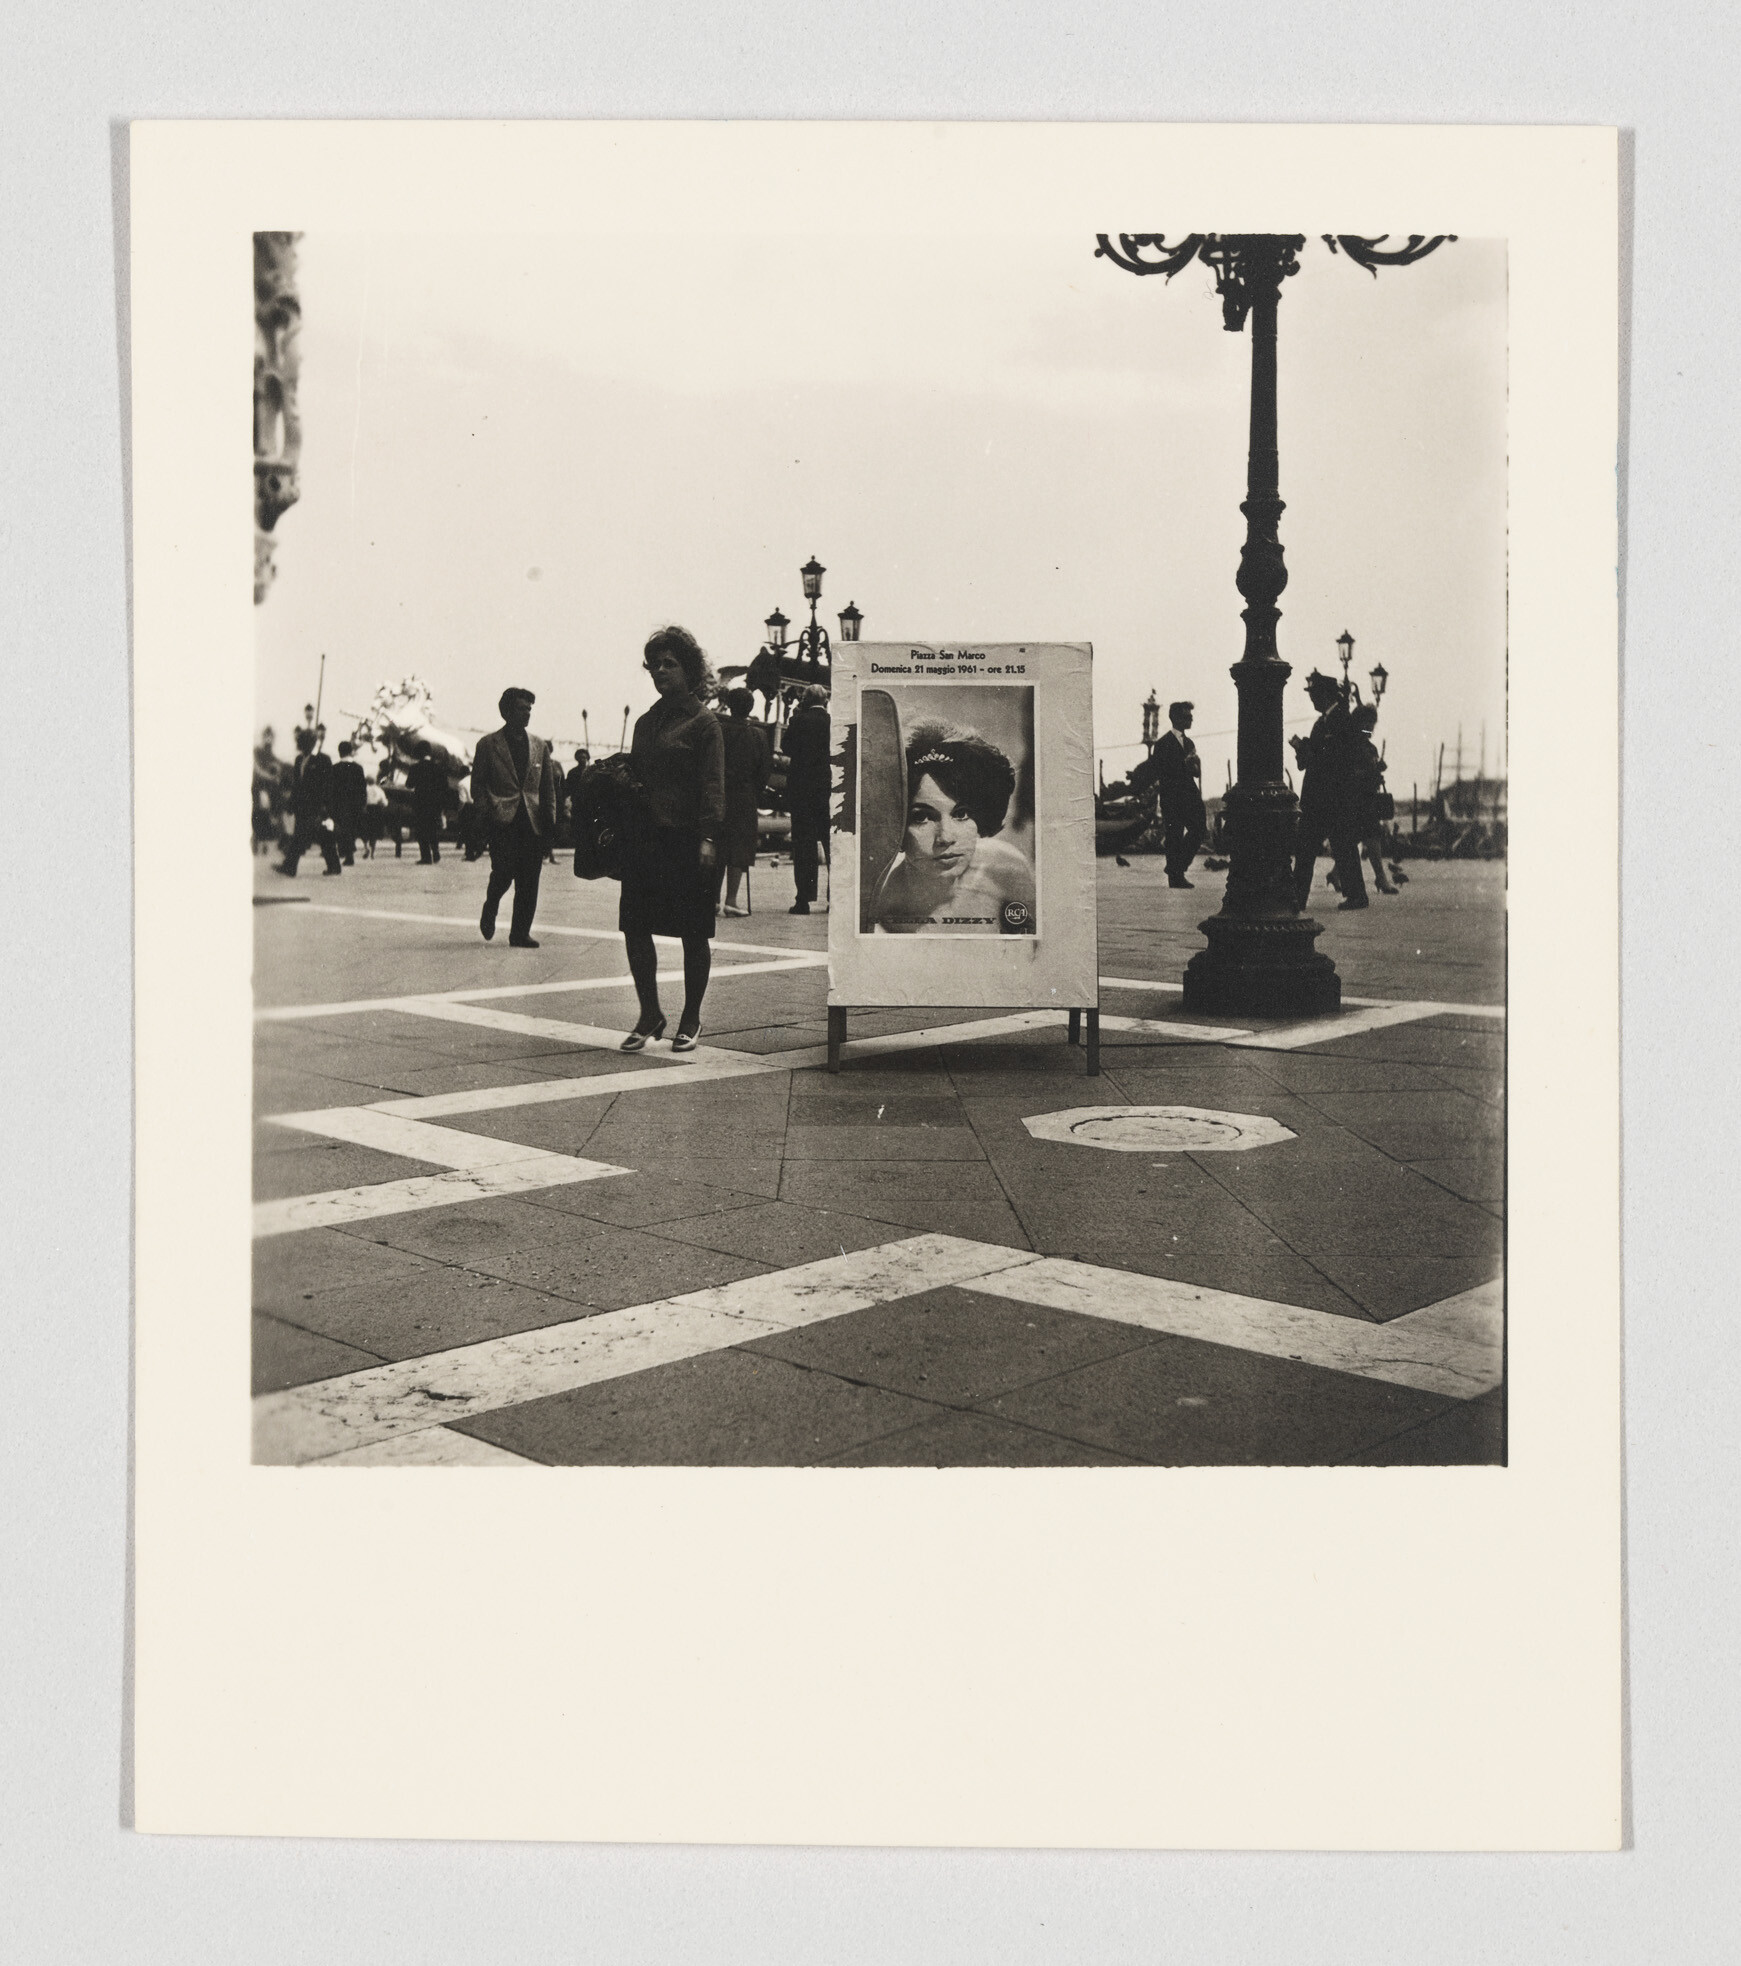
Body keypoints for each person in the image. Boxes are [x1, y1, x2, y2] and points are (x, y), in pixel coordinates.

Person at [617, 626, 724, 1054]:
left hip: (688, 839)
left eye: (670, 663)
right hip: (645, 839)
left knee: (693, 933)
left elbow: (714, 786)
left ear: (689, 669)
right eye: (655, 664)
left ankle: (691, 1017)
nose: (660, 671)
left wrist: (709, 839)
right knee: (634, 927)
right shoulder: (645, 722)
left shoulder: (705, 723)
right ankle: (650, 1013)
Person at [871, 722, 1036, 936]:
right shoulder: (879, 907)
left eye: (961, 814)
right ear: (895, 823)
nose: (945, 837)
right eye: (921, 817)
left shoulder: (1007, 868)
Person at [472, 686, 559, 948]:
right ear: (507, 711)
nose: (527, 713)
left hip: (532, 821)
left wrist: (550, 821)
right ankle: (491, 904)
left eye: (530, 709)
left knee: (529, 880)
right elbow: (478, 785)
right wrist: (486, 814)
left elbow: (547, 788)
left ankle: (519, 933)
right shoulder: (488, 744)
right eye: (522, 708)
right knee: (503, 873)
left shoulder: (539, 745)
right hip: (502, 820)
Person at [1290, 671, 1367, 910]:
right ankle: (1297, 897)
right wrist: (1302, 749)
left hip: (1334, 798)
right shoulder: (1321, 723)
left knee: (1341, 847)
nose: (1312, 699)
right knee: (1308, 849)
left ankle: (1356, 896)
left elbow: (1344, 759)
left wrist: (1313, 753)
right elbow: (1308, 762)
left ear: (1326, 695)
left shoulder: (1343, 721)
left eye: (1314, 694)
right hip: (1316, 799)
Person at [1137, 699, 1208, 888]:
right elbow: (1156, 768)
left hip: (1190, 795)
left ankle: (1176, 867)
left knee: (1199, 829)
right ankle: (1176, 877)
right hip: (1172, 796)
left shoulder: (1190, 743)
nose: (1190, 719)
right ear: (1175, 718)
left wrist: (1194, 765)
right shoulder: (1163, 744)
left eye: (1191, 716)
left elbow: (1195, 772)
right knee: (1174, 835)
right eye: (1186, 716)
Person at [719, 688, 770, 917]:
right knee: (739, 847)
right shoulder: (758, 735)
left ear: (729, 705)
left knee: (719, 844)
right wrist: (754, 791)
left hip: (720, 794)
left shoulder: (719, 730)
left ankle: (711, 898)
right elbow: (764, 771)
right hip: (745, 795)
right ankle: (731, 900)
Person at [781, 684, 831, 915]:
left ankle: (803, 900)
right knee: (832, 845)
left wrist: (795, 717)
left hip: (802, 791)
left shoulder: (799, 720)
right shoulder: (833, 721)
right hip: (828, 790)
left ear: (805, 700)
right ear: (825, 700)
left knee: (804, 845)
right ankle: (836, 897)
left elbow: (786, 746)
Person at [276, 727, 342, 877]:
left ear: (311, 743)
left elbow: (328, 785)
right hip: (302, 806)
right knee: (323, 836)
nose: (301, 744)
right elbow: (297, 785)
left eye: (303, 741)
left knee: (301, 836)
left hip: (316, 806)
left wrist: (326, 806)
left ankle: (290, 867)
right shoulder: (299, 760)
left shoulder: (323, 760)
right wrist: (291, 805)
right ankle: (333, 866)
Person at [405, 743, 447, 864]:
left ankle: (426, 857)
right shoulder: (439, 768)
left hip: (420, 803)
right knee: (433, 828)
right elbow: (445, 787)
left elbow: (409, 785)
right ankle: (436, 851)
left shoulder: (415, 768)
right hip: (435, 804)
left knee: (421, 830)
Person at [329, 740, 368, 867]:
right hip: (355, 804)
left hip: (339, 804)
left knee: (341, 828)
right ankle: (349, 854)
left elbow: (331, 789)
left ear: (339, 752)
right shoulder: (358, 768)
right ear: (351, 752)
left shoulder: (334, 768)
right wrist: (363, 804)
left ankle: (346, 853)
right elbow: (362, 788)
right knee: (351, 828)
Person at [563, 748, 591, 848]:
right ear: (577, 759)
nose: (582, 759)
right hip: (577, 803)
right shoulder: (572, 773)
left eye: (584, 757)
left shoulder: (591, 771)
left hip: (590, 804)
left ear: (587, 758)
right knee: (577, 826)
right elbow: (567, 789)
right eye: (580, 758)